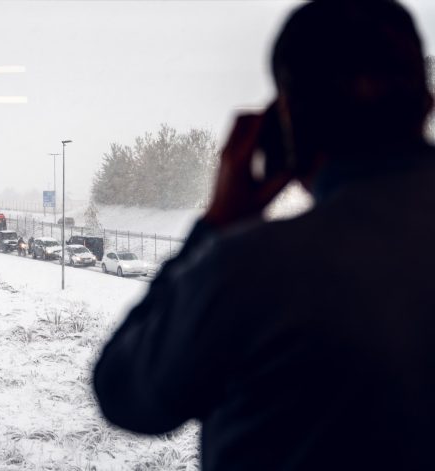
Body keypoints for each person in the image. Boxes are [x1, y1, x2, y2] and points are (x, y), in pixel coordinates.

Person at [94, 1, 435, 470]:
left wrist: (218, 221)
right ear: (426, 103)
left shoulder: (256, 269)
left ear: (286, 122)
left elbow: (125, 391)